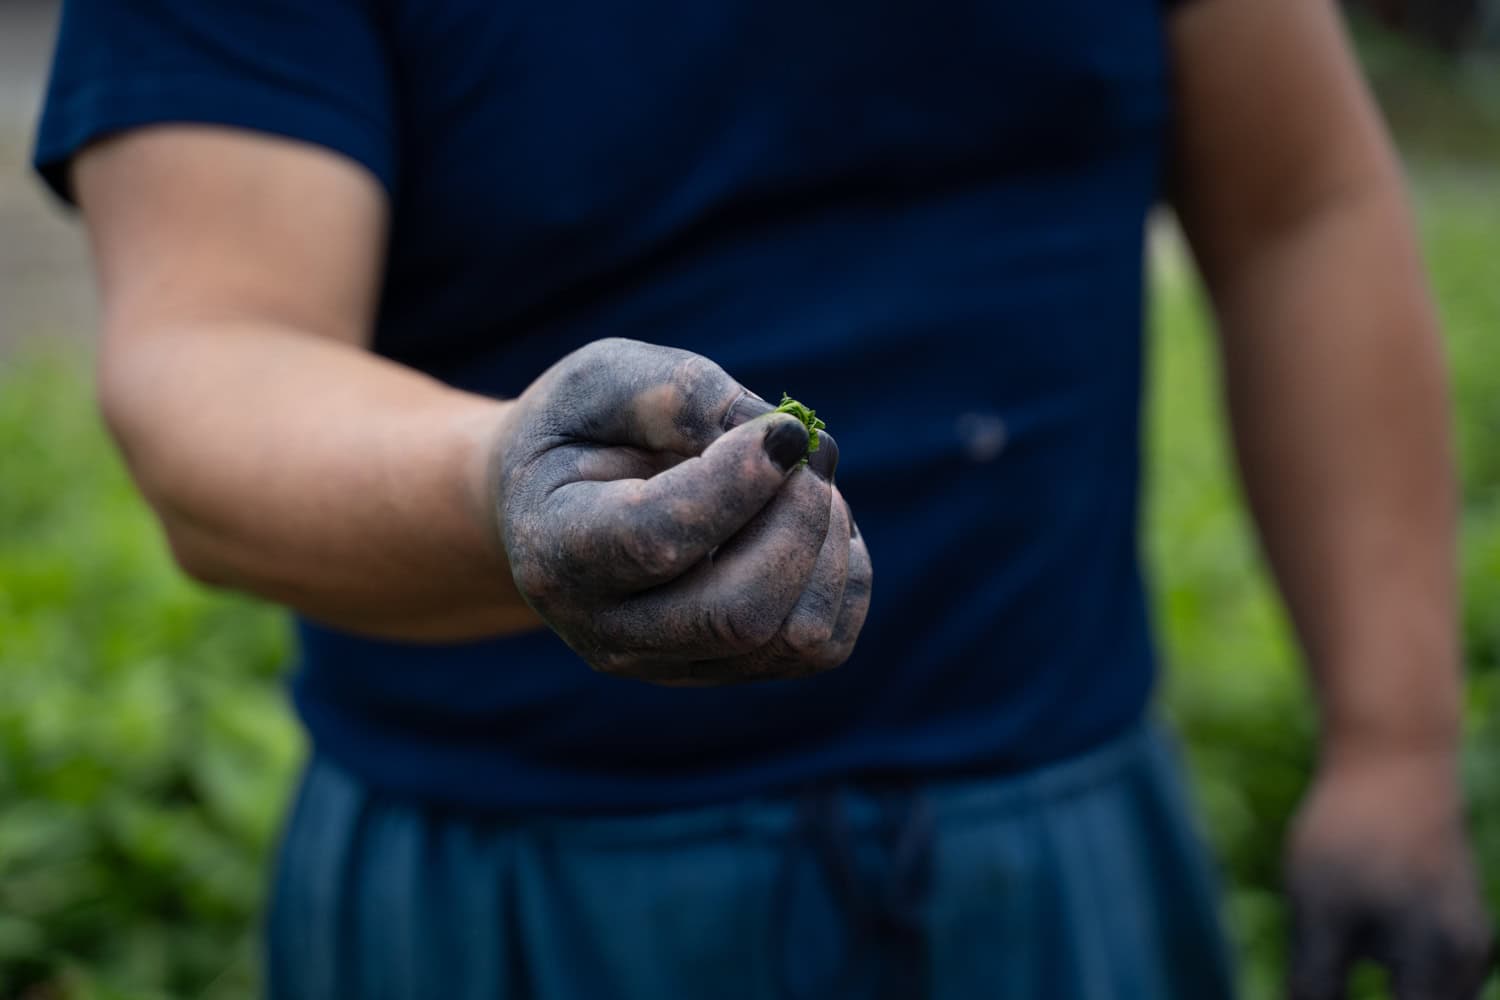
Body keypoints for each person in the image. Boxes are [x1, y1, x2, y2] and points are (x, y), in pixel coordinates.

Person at [33, 0, 1494, 996]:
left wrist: (1393, 739)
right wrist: (503, 483)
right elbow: (214, 353)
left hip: (1064, 829)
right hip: (512, 870)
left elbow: (1302, 205)